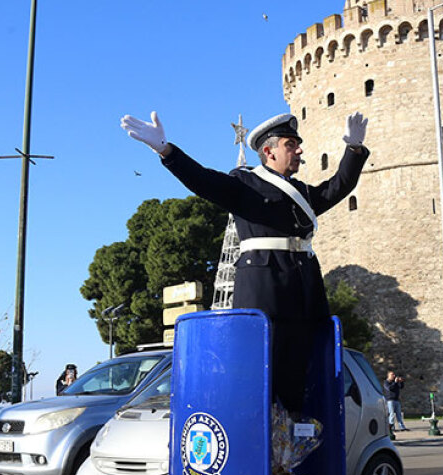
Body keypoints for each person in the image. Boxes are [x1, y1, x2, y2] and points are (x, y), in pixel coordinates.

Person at [121, 111, 370, 415]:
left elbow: (338, 187)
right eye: (291, 144)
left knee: (308, 370)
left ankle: (298, 438)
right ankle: (267, 441)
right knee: (265, 372)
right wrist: (166, 150)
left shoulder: (301, 192)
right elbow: (201, 180)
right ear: (269, 151)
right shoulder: (246, 183)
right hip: (266, 288)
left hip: (305, 290)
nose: (300, 151)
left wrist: (354, 150)